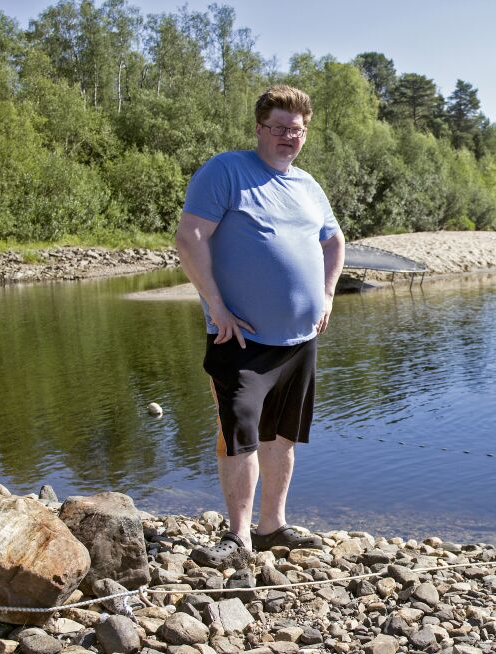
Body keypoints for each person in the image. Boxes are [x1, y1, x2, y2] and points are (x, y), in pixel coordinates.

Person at [175, 85, 345, 566]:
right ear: (259, 129)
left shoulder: (309, 187)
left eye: (296, 129)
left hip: (299, 340)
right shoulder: (226, 171)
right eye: (278, 127)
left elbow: (334, 242)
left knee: (282, 437)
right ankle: (238, 537)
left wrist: (328, 293)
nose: (288, 136)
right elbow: (189, 238)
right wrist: (216, 305)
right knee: (240, 434)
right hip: (239, 337)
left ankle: (272, 527)